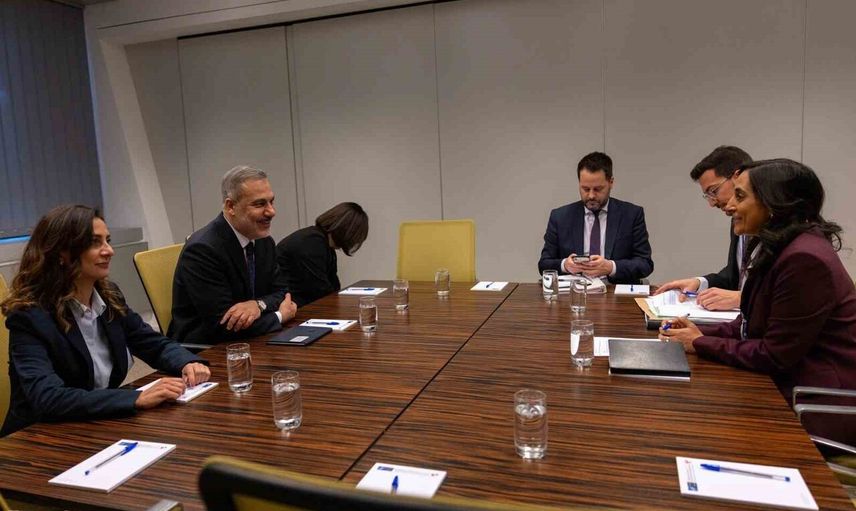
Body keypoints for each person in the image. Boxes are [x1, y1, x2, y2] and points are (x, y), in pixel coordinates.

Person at [659, 159, 856, 444]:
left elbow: (774, 355)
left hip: (816, 406)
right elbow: (750, 325)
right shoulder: (779, 246)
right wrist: (698, 333)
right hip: (787, 388)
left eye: (740, 196)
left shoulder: (804, 259)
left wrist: (700, 343)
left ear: (774, 204)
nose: (729, 206)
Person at [0, 205, 210, 436]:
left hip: (95, 424)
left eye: (107, 241)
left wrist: (187, 363)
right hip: (39, 436)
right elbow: (48, 397)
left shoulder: (109, 296)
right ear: (61, 253)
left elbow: (151, 343)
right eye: (95, 242)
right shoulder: (30, 316)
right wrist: (135, 398)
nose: (109, 251)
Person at [169, 165, 297, 344]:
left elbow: (283, 293)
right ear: (231, 206)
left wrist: (258, 305)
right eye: (259, 204)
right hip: (207, 347)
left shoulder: (263, 241)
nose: (271, 212)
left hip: (253, 337)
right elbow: (224, 325)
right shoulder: (203, 250)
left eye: (271, 202)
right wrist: (279, 316)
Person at [655, 146, 752, 310]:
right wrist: (699, 283)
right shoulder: (737, 221)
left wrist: (741, 298)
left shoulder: (779, 227)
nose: (712, 203)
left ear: (738, 177)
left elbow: (787, 288)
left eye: (713, 191)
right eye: (708, 196)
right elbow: (735, 277)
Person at [538, 151, 653, 284]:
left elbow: (645, 264)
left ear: (611, 182)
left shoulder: (631, 215)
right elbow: (544, 264)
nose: (591, 195)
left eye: (598, 189)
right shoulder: (560, 217)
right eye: (585, 189)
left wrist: (611, 267)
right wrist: (565, 265)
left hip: (615, 291)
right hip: (575, 291)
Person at [276, 202, 369, 307]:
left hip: (296, 303)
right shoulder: (312, 243)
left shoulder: (323, 243)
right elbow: (321, 291)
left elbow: (333, 288)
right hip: (287, 305)